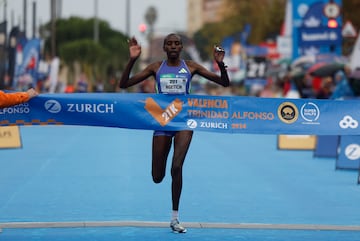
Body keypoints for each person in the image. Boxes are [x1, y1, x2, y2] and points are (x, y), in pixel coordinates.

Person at [119, 33, 230, 233]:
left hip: (183, 120)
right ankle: (168, 196)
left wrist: (220, 64)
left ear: (181, 47)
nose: (173, 46)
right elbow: (124, 84)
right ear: (164, 48)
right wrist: (132, 59)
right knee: (157, 176)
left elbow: (224, 83)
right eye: (169, 43)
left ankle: (174, 218)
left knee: (177, 167)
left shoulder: (191, 66)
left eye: (176, 43)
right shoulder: (156, 68)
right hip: (162, 120)